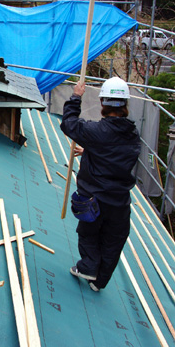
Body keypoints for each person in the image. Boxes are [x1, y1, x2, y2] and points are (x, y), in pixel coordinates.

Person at [60, 77, 141, 292]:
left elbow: (68, 123)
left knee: (88, 233)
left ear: (103, 103)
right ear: (125, 105)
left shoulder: (96, 132)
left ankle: (87, 267)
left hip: (94, 197)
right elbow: (117, 154)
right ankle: (99, 281)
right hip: (119, 201)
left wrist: (76, 96)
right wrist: (91, 150)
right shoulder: (132, 134)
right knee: (113, 242)